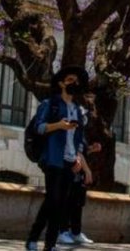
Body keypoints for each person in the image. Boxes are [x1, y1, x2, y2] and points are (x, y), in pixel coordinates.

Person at [25, 66, 89, 251]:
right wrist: (59, 125)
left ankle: (48, 244)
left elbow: (79, 139)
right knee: (54, 200)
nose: (73, 84)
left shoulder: (77, 110)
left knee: (58, 203)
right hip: (53, 159)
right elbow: (39, 127)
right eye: (70, 80)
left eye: (76, 81)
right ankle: (33, 239)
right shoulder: (50, 104)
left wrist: (78, 158)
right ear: (61, 83)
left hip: (70, 162)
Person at [57, 93, 102, 246]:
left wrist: (91, 149)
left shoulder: (82, 130)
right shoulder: (75, 120)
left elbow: (81, 149)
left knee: (77, 201)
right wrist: (87, 170)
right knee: (66, 199)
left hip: (78, 168)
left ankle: (75, 232)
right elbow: (75, 149)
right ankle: (62, 231)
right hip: (69, 165)